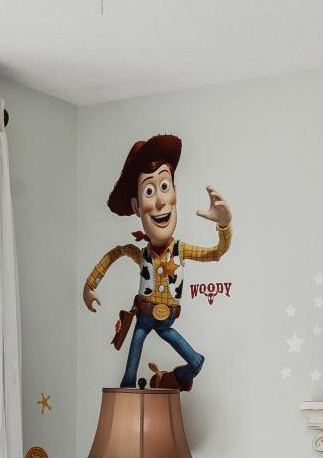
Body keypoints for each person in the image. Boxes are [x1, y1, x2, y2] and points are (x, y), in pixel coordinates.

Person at [83, 134, 234, 390]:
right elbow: (117, 252)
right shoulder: (141, 254)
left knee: (195, 362)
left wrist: (224, 225)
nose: (161, 201)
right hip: (143, 316)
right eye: (150, 191)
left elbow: (216, 253)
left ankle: (176, 376)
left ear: (175, 192)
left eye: (165, 186)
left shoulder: (181, 250)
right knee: (130, 372)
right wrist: (90, 284)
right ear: (137, 206)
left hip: (166, 320)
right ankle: (128, 391)